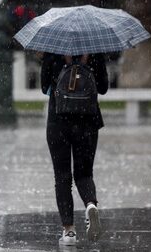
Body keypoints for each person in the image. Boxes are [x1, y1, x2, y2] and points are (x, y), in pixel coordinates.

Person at [41, 53, 108, 246]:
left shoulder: (53, 50)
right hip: (87, 121)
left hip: (58, 120)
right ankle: (90, 205)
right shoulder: (95, 50)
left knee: (62, 177)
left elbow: (44, 87)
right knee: (84, 173)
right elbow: (103, 88)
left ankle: (69, 231)